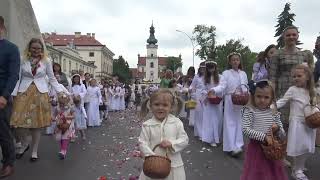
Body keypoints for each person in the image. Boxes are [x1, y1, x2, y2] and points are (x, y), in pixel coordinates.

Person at [11, 38, 63, 162]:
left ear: (41, 49)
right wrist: (13, 93)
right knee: (17, 123)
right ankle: (25, 143)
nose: (36, 50)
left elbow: (51, 78)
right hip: (23, 93)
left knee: (37, 125)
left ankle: (34, 151)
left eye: (38, 48)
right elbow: (18, 77)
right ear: (29, 48)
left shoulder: (46, 61)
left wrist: (61, 92)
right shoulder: (23, 59)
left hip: (40, 93)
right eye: (33, 48)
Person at [274, 65, 316, 180]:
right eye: (294, 76)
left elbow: (315, 105)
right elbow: (282, 101)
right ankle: (296, 170)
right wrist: (271, 107)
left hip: (309, 124)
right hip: (297, 123)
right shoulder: (293, 90)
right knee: (298, 147)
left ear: (307, 77)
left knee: (307, 147)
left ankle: (300, 165)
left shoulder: (311, 91)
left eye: (299, 76)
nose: (296, 78)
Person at [269, 26, 314, 130]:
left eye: (294, 34)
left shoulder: (305, 55)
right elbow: (272, 78)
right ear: (283, 37)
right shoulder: (277, 54)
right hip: (282, 93)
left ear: (298, 36)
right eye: (288, 35)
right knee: (282, 125)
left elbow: (310, 78)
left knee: (299, 123)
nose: (291, 37)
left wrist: (312, 94)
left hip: (300, 94)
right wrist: (272, 99)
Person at [241, 80, 288, 180]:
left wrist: (278, 129)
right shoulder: (250, 110)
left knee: (273, 172)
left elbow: (282, 132)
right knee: (258, 173)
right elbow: (245, 129)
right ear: (253, 96)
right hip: (256, 149)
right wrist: (264, 136)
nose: (262, 100)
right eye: (259, 96)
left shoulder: (273, 111)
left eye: (266, 97)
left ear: (271, 98)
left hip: (272, 148)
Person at [138, 89, 189, 180]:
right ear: (150, 106)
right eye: (157, 104)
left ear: (171, 107)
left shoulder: (176, 122)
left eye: (165, 105)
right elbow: (142, 142)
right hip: (152, 167)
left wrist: (172, 144)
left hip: (173, 165)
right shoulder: (147, 125)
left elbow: (184, 139)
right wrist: (151, 156)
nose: (160, 108)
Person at [211, 52, 248, 157]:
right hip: (230, 99)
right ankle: (230, 147)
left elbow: (245, 86)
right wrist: (214, 89)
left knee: (238, 122)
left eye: (237, 59)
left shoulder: (243, 73)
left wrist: (246, 95)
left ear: (239, 61)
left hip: (240, 100)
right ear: (230, 62)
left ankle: (238, 145)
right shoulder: (226, 73)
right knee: (229, 122)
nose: (235, 61)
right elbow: (222, 86)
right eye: (233, 60)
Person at [0, 16, 20, 177]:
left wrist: (5, 96)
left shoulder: (11, 48)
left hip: (2, 96)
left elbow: (13, 75)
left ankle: (8, 163)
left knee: (3, 132)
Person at [201, 60, 223, 147]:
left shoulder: (220, 77)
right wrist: (207, 95)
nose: (211, 70)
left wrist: (216, 94)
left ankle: (216, 138)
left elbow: (222, 87)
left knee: (217, 120)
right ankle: (210, 139)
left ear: (215, 68)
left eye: (212, 67)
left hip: (217, 101)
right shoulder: (205, 78)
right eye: (209, 68)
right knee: (209, 120)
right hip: (209, 101)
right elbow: (203, 89)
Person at [54, 93, 75, 160]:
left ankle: (63, 151)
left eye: (64, 104)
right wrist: (53, 118)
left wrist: (67, 117)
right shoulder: (57, 108)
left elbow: (74, 116)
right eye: (61, 104)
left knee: (65, 138)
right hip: (59, 125)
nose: (62, 106)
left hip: (67, 125)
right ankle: (62, 149)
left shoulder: (70, 108)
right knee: (59, 138)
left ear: (67, 102)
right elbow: (54, 115)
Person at [189, 62, 206, 137]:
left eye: (204, 68)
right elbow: (192, 86)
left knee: (205, 115)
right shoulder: (197, 77)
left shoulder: (208, 76)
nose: (203, 69)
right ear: (199, 68)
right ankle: (200, 133)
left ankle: (205, 132)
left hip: (206, 96)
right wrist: (191, 92)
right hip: (198, 96)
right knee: (199, 114)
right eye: (201, 68)